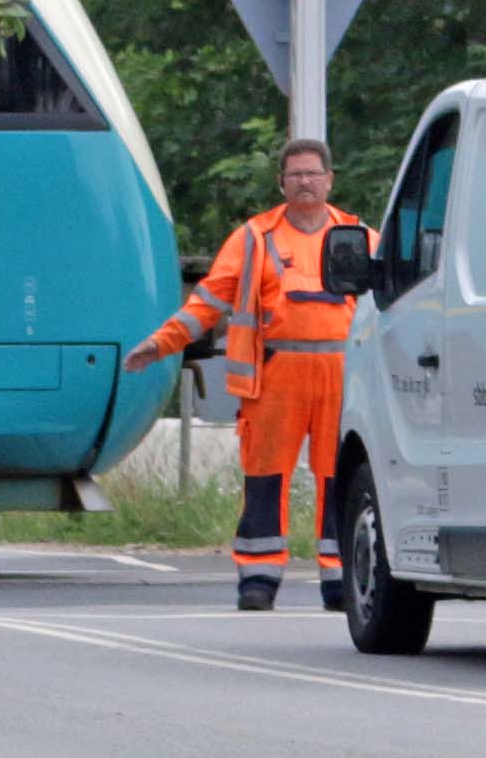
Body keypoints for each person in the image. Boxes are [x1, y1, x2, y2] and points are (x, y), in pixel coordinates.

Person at [128, 136, 358, 610]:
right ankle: (259, 578)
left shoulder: (356, 236)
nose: (306, 181)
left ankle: (341, 579)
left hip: (345, 374)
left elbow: (389, 303)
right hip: (275, 374)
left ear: (330, 180)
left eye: (314, 173)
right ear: (281, 183)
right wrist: (161, 344)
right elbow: (208, 302)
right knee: (265, 477)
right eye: (296, 174)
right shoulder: (255, 238)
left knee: (341, 477)